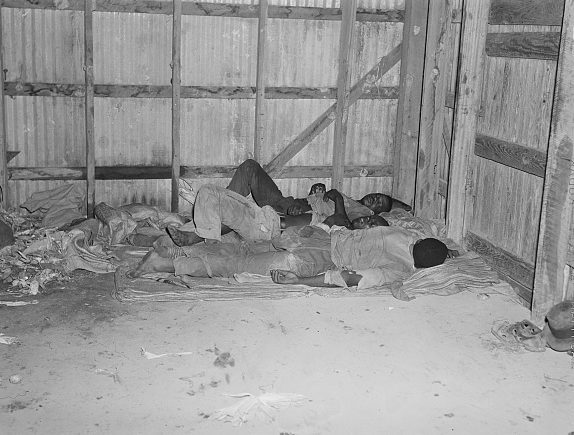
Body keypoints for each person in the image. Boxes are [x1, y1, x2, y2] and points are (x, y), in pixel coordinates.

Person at [167, 159, 400, 246]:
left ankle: (208, 220)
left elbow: (338, 221)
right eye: (378, 195)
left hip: (279, 219)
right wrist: (315, 193)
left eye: (378, 205)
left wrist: (334, 195)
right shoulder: (348, 204)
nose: (374, 201)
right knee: (250, 167)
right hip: (284, 203)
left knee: (230, 209)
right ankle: (212, 215)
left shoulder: (353, 215)